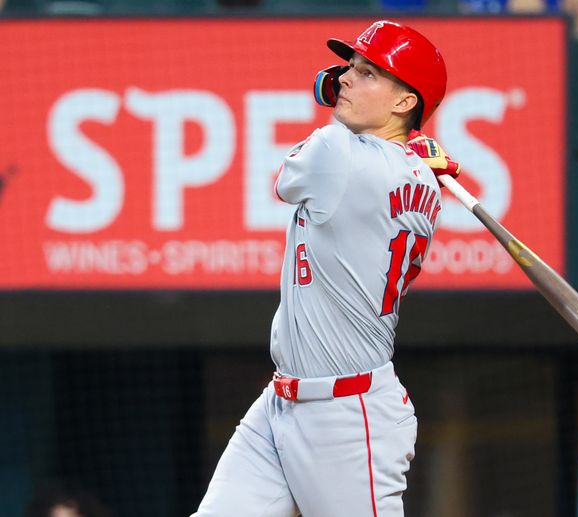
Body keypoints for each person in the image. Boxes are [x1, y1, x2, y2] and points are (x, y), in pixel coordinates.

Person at [192, 20, 460, 517]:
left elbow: (288, 182)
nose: (344, 80)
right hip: (282, 401)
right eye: (350, 67)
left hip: (348, 415)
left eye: (368, 73)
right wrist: (408, 152)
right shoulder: (422, 178)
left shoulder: (336, 151)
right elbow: (387, 169)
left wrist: (396, 148)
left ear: (405, 102)